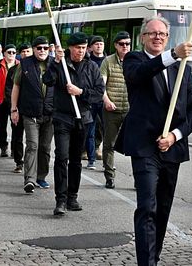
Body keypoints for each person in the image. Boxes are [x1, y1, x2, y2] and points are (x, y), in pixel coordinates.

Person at [118, 16, 192, 266]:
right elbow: (140, 75)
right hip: (144, 146)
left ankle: (153, 255)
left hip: (172, 147)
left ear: (168, 37)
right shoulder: (134, 60)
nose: (157, 37)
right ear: (143, 37)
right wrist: (172, 55)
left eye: (162, 34)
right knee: (147, 205)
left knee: (163, 208)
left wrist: (175, 135)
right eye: (152, 33)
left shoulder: (182, 68)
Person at [43, 32, 104, 216]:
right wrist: (54, 63)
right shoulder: (60, 64)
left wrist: (81, 92)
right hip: (62, 118)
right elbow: (47, 80)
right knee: (62, 157)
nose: (81, 51)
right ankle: (60, 199)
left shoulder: (91, 67)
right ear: (70, 48)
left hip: (83, 118)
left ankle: (72, 196)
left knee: (76, 160)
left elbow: (99, 92)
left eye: (84, 47)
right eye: (78, 48)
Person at [11, 37, 55, 187]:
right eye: (39, 48)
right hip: (30, 112)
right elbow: (16, 87)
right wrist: (14, 109)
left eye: (45, 48)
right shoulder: (24, 64)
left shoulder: (55, 63)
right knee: (32, 145)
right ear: (34, 49)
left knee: (45, 147)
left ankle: (41, 177)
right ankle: (29, 179)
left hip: (50, 113)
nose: (42, 50)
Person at [99, 31, 131, 189]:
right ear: (116, 45)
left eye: (128, 44)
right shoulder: (108, 62)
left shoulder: (135, 60)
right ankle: (110, 176)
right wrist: (107, 101)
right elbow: (101, 85)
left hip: (131, 111)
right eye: (122, 44)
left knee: (135, 144)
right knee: (109, 144)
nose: (125, 46)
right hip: (112, 110)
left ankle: (139, 178)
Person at [85, 35, 106, 169]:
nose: (99, 46)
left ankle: (107, 161)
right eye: (96, 44)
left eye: (101, 44)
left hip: (104, 100)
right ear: (91, 47)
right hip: (91, 100)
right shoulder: (87, 61)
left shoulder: (108, 60)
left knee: (106, 131)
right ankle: (91, 159)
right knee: (90, 130)